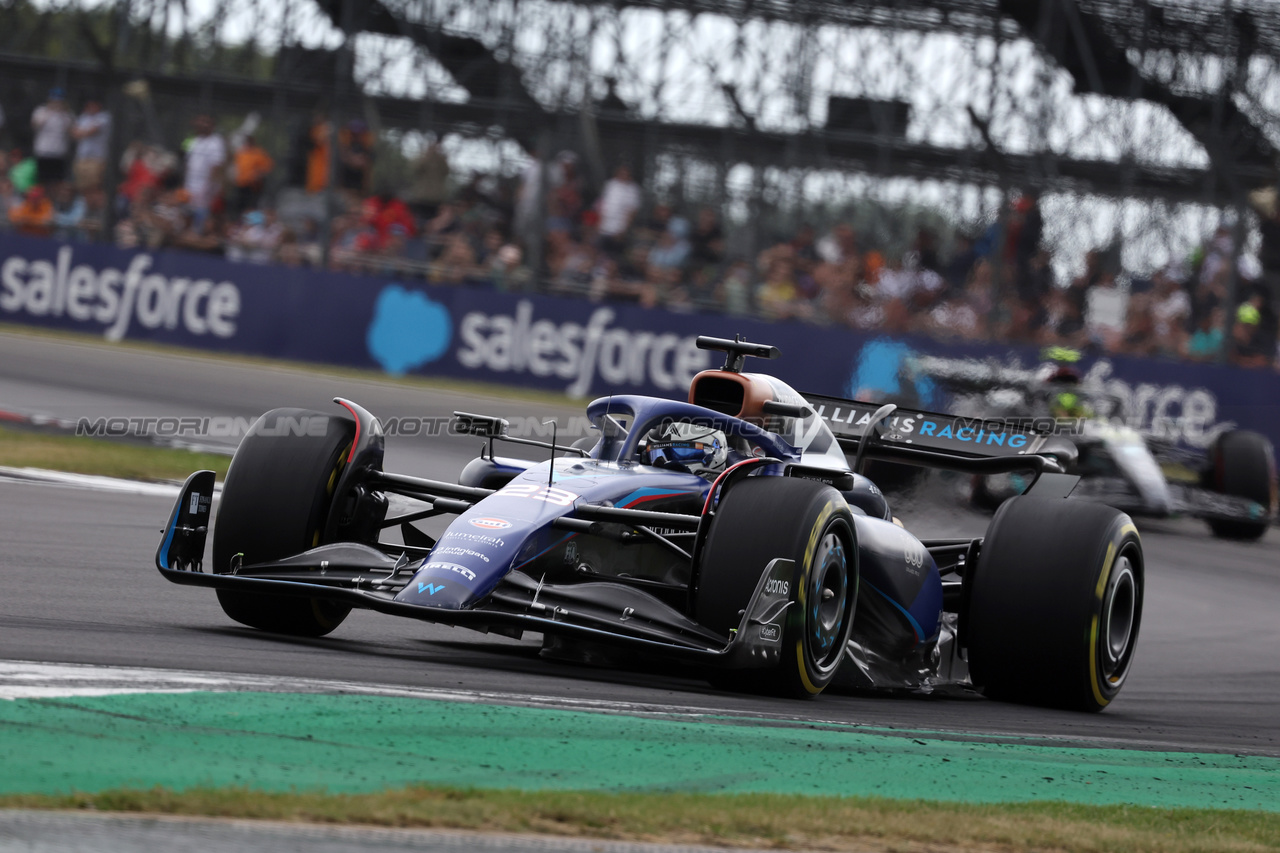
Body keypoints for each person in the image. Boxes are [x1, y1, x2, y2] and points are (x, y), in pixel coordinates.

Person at [183, 115, 226, 227]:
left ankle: (200, 236)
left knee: (202, 216)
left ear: (212, 126)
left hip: (204, 187)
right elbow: (188, 162)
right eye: (200, 122)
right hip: (190, 185)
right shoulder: (193, 140)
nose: (202, 125)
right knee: (187, 214)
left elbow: (216, 166)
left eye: (205, 122)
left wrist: (209, 186)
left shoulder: (216, 142)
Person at [595, 164, 641, 257]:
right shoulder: (610, 184)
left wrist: (624, 230)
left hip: (619, 228)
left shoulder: (633, 189)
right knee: (600, 251)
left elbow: (632, 211)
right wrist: (598, 222)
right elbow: (603, 203)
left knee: (614, 254)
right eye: (621, 173)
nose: (623, 175)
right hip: (604, 225)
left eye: (626, 174)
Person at [30, 89, 72, 187]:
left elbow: (71, 130)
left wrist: (62, 113)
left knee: (57, 181)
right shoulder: (41, 111)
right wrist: (49, 111)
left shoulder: (67, 114)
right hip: (43, 151)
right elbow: (35, 125)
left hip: (59, 152)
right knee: (42, 179)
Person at [71, 99, 111, 192]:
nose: (91, 108)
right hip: (82, 157)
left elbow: (92, 131)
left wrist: (82, 132)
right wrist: (83, 132)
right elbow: (74, 134)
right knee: (82, 187)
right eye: (89, 106)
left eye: (93, 105)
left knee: (94, 187)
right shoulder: (83, 117)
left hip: (97, 158)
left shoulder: (104, 117)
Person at [230, 134, 274, 215]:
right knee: (239, 206)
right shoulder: (241, 153)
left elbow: (267, 167)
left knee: (252, 206)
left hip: (253, 186)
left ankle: (252, 224)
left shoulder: (258, 153)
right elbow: (235, 167)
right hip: (241, 184)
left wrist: (258, 174)